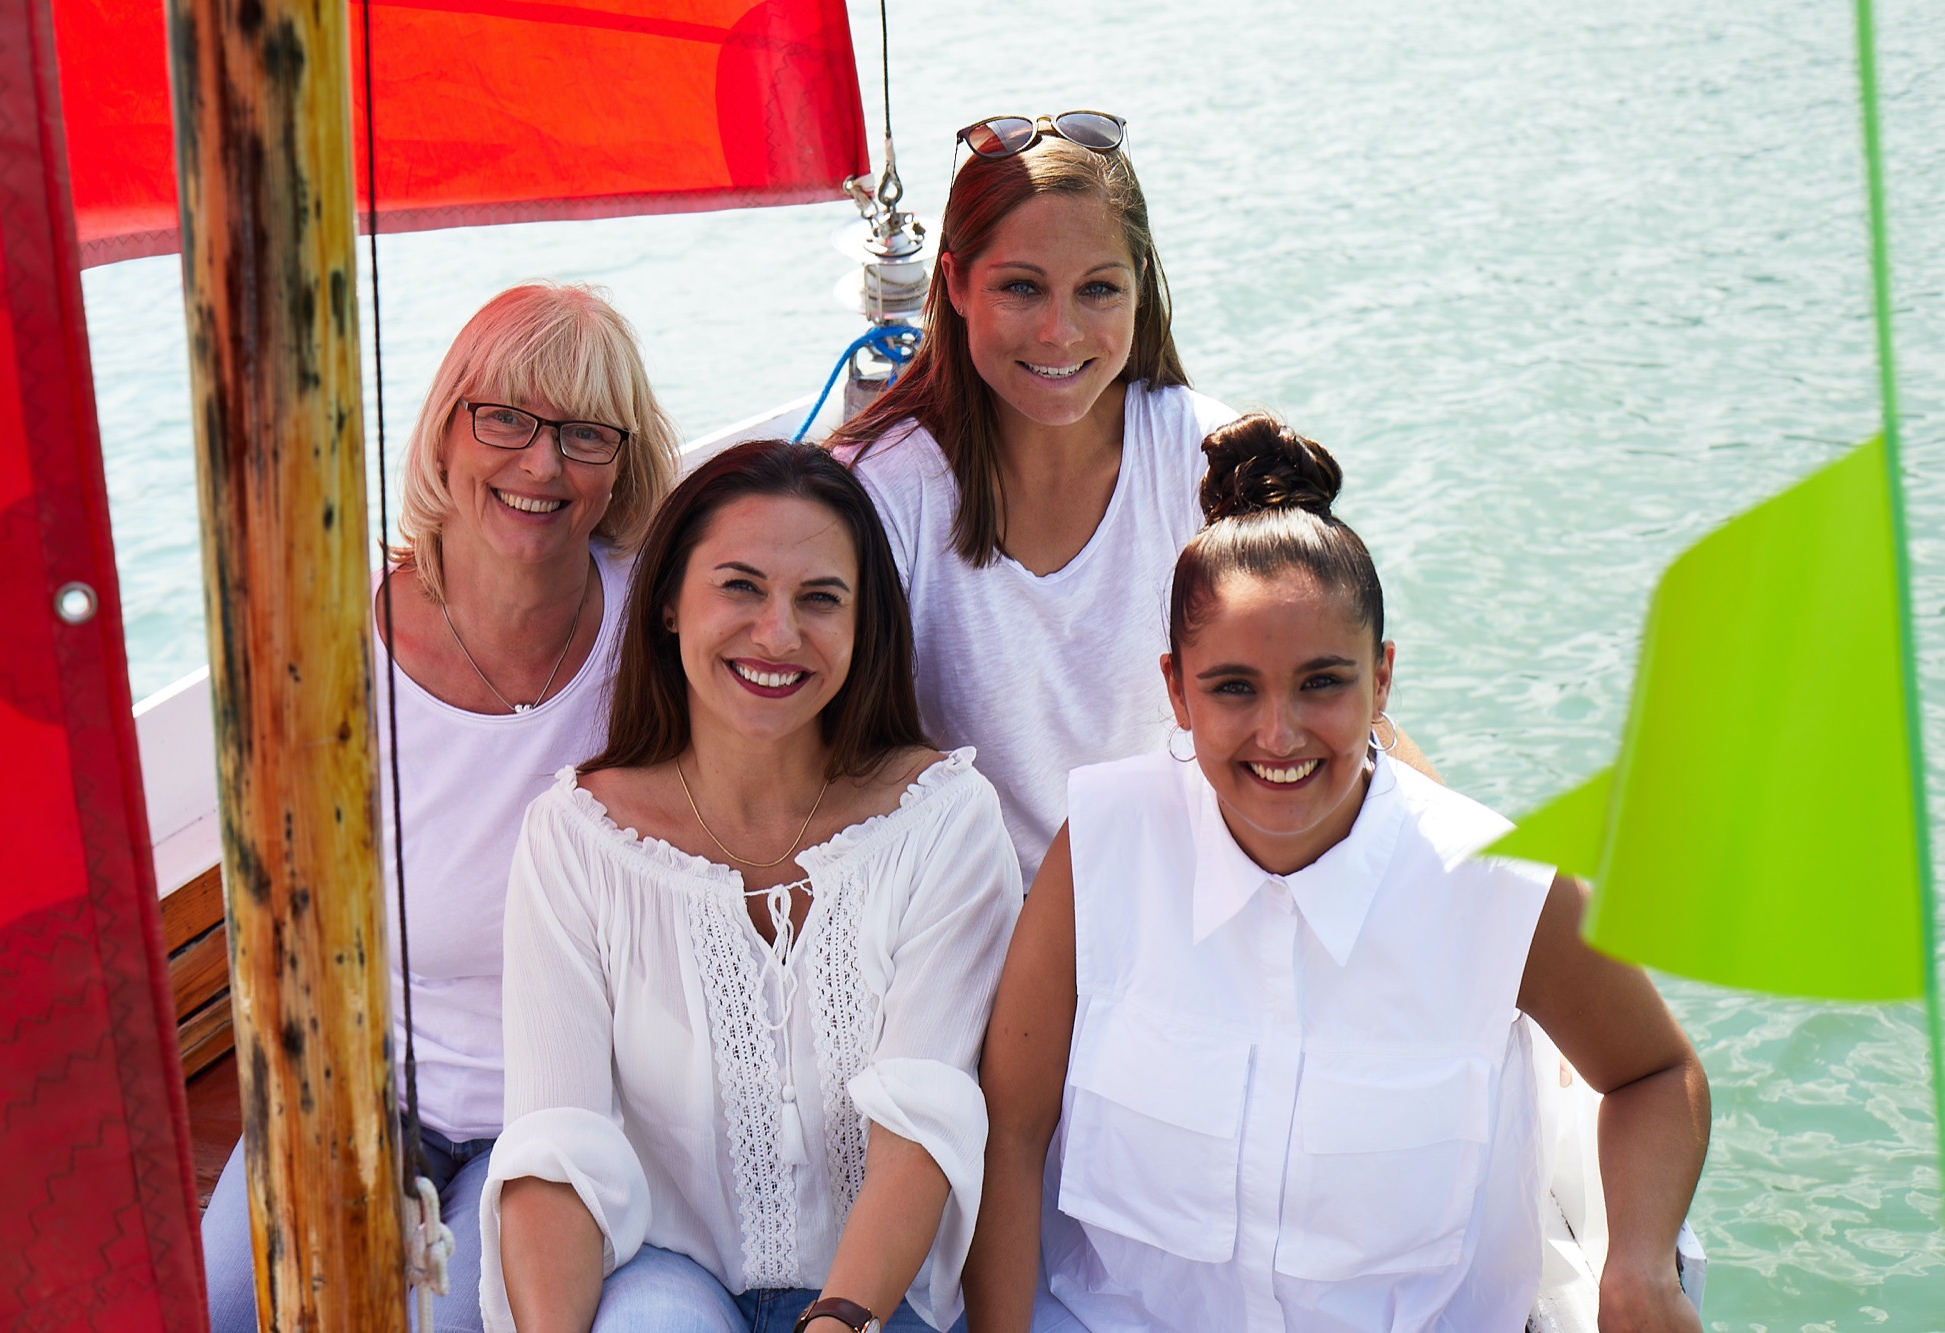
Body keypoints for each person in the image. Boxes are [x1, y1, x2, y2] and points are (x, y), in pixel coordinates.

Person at [966, 416, 1710, 1332]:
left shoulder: (1502, 888)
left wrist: (1639, 1264)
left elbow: (1654, 1071)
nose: (1279, 733)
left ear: (1382, 679)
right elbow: (1012, 1131)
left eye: (1322, 682)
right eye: (1233, 686)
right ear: (1177, 689)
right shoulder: (1101, 847)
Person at [201, 282, 678, 1332]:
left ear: (621, 465)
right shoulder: (334, 644)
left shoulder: (663, 631)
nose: (541, 464)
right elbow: (275, 923)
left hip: (559, 1120)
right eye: (504, 418)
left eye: (584, 434)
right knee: (220, 1305)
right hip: (361, 1092)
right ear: (446, 430)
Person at [479, 440, 1022, 1333]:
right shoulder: (576, 840)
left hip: (880, 1295)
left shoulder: (942, 821)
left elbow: (923, 1125)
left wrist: (839, 1320)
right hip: (668, 1275)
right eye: (740, 586)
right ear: (668, 603)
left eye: (820, 598)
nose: (777, 634)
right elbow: (557, 1150)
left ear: (865, 624)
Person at [831, 112, 1438, 891]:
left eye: (1098, 289)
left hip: (1176, 896)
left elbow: (1334, 697)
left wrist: (1492, 873)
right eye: (1021, 287)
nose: (1060, 331)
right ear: (954, 283)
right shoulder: (876, 492)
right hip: (964, 917)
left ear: (1138, 286)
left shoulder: (1208, 461)